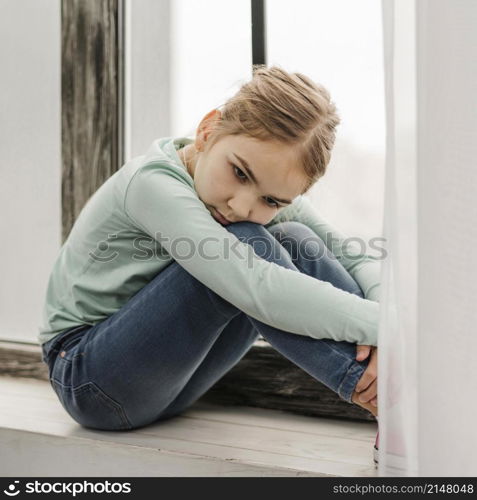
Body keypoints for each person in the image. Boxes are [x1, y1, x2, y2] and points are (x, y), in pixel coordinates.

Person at [39, 65, 379, 460]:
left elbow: (351, 256)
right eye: (238, 173)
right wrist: (385, 326)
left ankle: (386, 377)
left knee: (296, 239)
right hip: (89, 378)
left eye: (271, 200)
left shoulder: (251, 199)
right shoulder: (152, 184)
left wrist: (390, 335)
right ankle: (386, 395)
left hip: (172, 385)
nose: (241, 205)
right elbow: (258, 288)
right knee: (242, 248)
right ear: (206, 131)